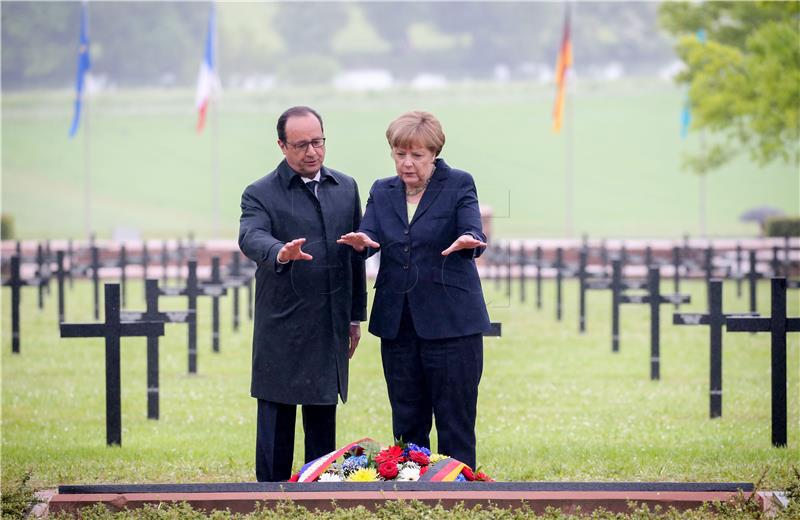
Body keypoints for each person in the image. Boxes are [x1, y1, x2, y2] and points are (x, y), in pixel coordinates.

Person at [337, 110, 490, 470]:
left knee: (455, 418)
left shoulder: (459, 184)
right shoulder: (382, 190)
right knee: (407, 418)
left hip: (453, 324)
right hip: (398, 324)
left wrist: (471, 240)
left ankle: (457, 492)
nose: (407, 163)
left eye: (417, 156)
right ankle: (410, 486)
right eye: (399, 154)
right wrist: (362, 241)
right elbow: (370, 233)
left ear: (434, 153)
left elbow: (473, 229)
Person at [239, 106, 367, 482]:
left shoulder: (345, 188)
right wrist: (279, 251)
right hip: (282, 325)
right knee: (277, 419)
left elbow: (354, 260)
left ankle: (318, 494)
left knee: (322, 425)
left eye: (318, 142)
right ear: (282, 146)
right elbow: (250, 235)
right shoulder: (260, 192)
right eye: (300, 145)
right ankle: (271, 497)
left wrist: (354, 317)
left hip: (330, 324)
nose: (312, 152)